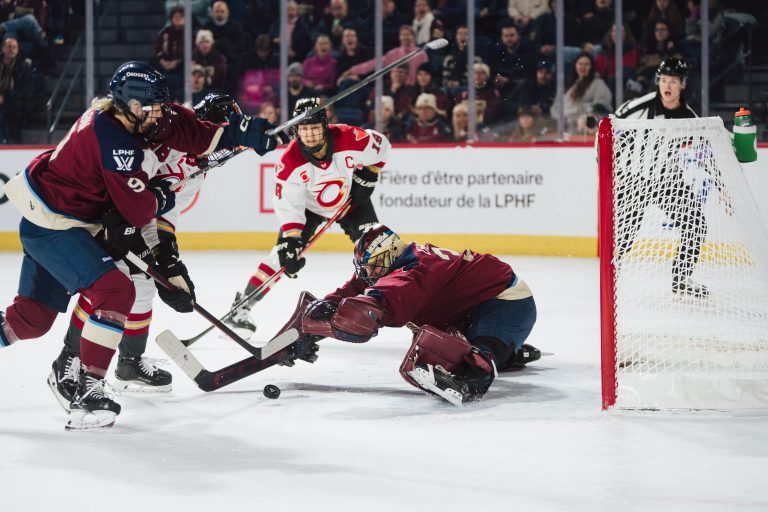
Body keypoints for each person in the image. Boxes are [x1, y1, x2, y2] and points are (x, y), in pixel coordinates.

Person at [0, 62, 280, 430]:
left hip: (67, 219)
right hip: (57, 224)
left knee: (30, 322)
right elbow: (138, 210)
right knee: (116, 290)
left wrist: (241, 132)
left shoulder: (141, 118)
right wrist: (161, 207)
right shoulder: (116, 141)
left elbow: (189, 129)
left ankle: (91, 367)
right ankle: (90, 389)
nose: (163, 114)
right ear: (133, 107)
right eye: (155, 108)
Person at [48, 93, 247, 401]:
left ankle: (129, 363)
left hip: (131, 216)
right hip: (98, 210)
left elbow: (162, 219)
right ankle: (68, 358)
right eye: (218, 134)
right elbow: (124, 181)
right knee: (108, 282)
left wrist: (168, 262)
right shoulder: (161, 142)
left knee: (143, 283)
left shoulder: (194, 169)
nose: (222, 147)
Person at [298, 224, 540, 405]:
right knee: (452, 345)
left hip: (506, 300)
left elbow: (389, 299)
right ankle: (511, 352)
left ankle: (476, 378)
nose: (369, 273)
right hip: (470, 310)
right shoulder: (399, 260)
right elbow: (359, 285)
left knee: (480, 355)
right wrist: (325, 308)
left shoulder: (416, 269)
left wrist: (348, 315)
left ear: (389, 254)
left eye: (372, 266)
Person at [225, 97, 391, 335]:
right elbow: (289, 206)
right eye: (304, 129)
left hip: (351, 201)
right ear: (296, 131)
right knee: (280, 256)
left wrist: (370, 174)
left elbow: (383, 146)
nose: (311, 135)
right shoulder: (289, 162)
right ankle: (240, 309)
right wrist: (291, 241)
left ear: (325, 126)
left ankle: (403, 306)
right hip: (309, 210)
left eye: (314, 127)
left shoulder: (349, 138)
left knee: (380, 250)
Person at [612, 57, 709, 297]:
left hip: (668, 180)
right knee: (624, 235)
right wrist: (602, 167)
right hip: (634, 178)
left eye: (673, 81)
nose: (666, 86)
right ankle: (610, 278)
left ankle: (682, 278)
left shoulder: (689, 117)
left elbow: (705, 150)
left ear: (682, 85)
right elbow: (607, 128)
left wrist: (724, 188)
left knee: (696, 223)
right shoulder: (639, 106)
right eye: (663, 80)